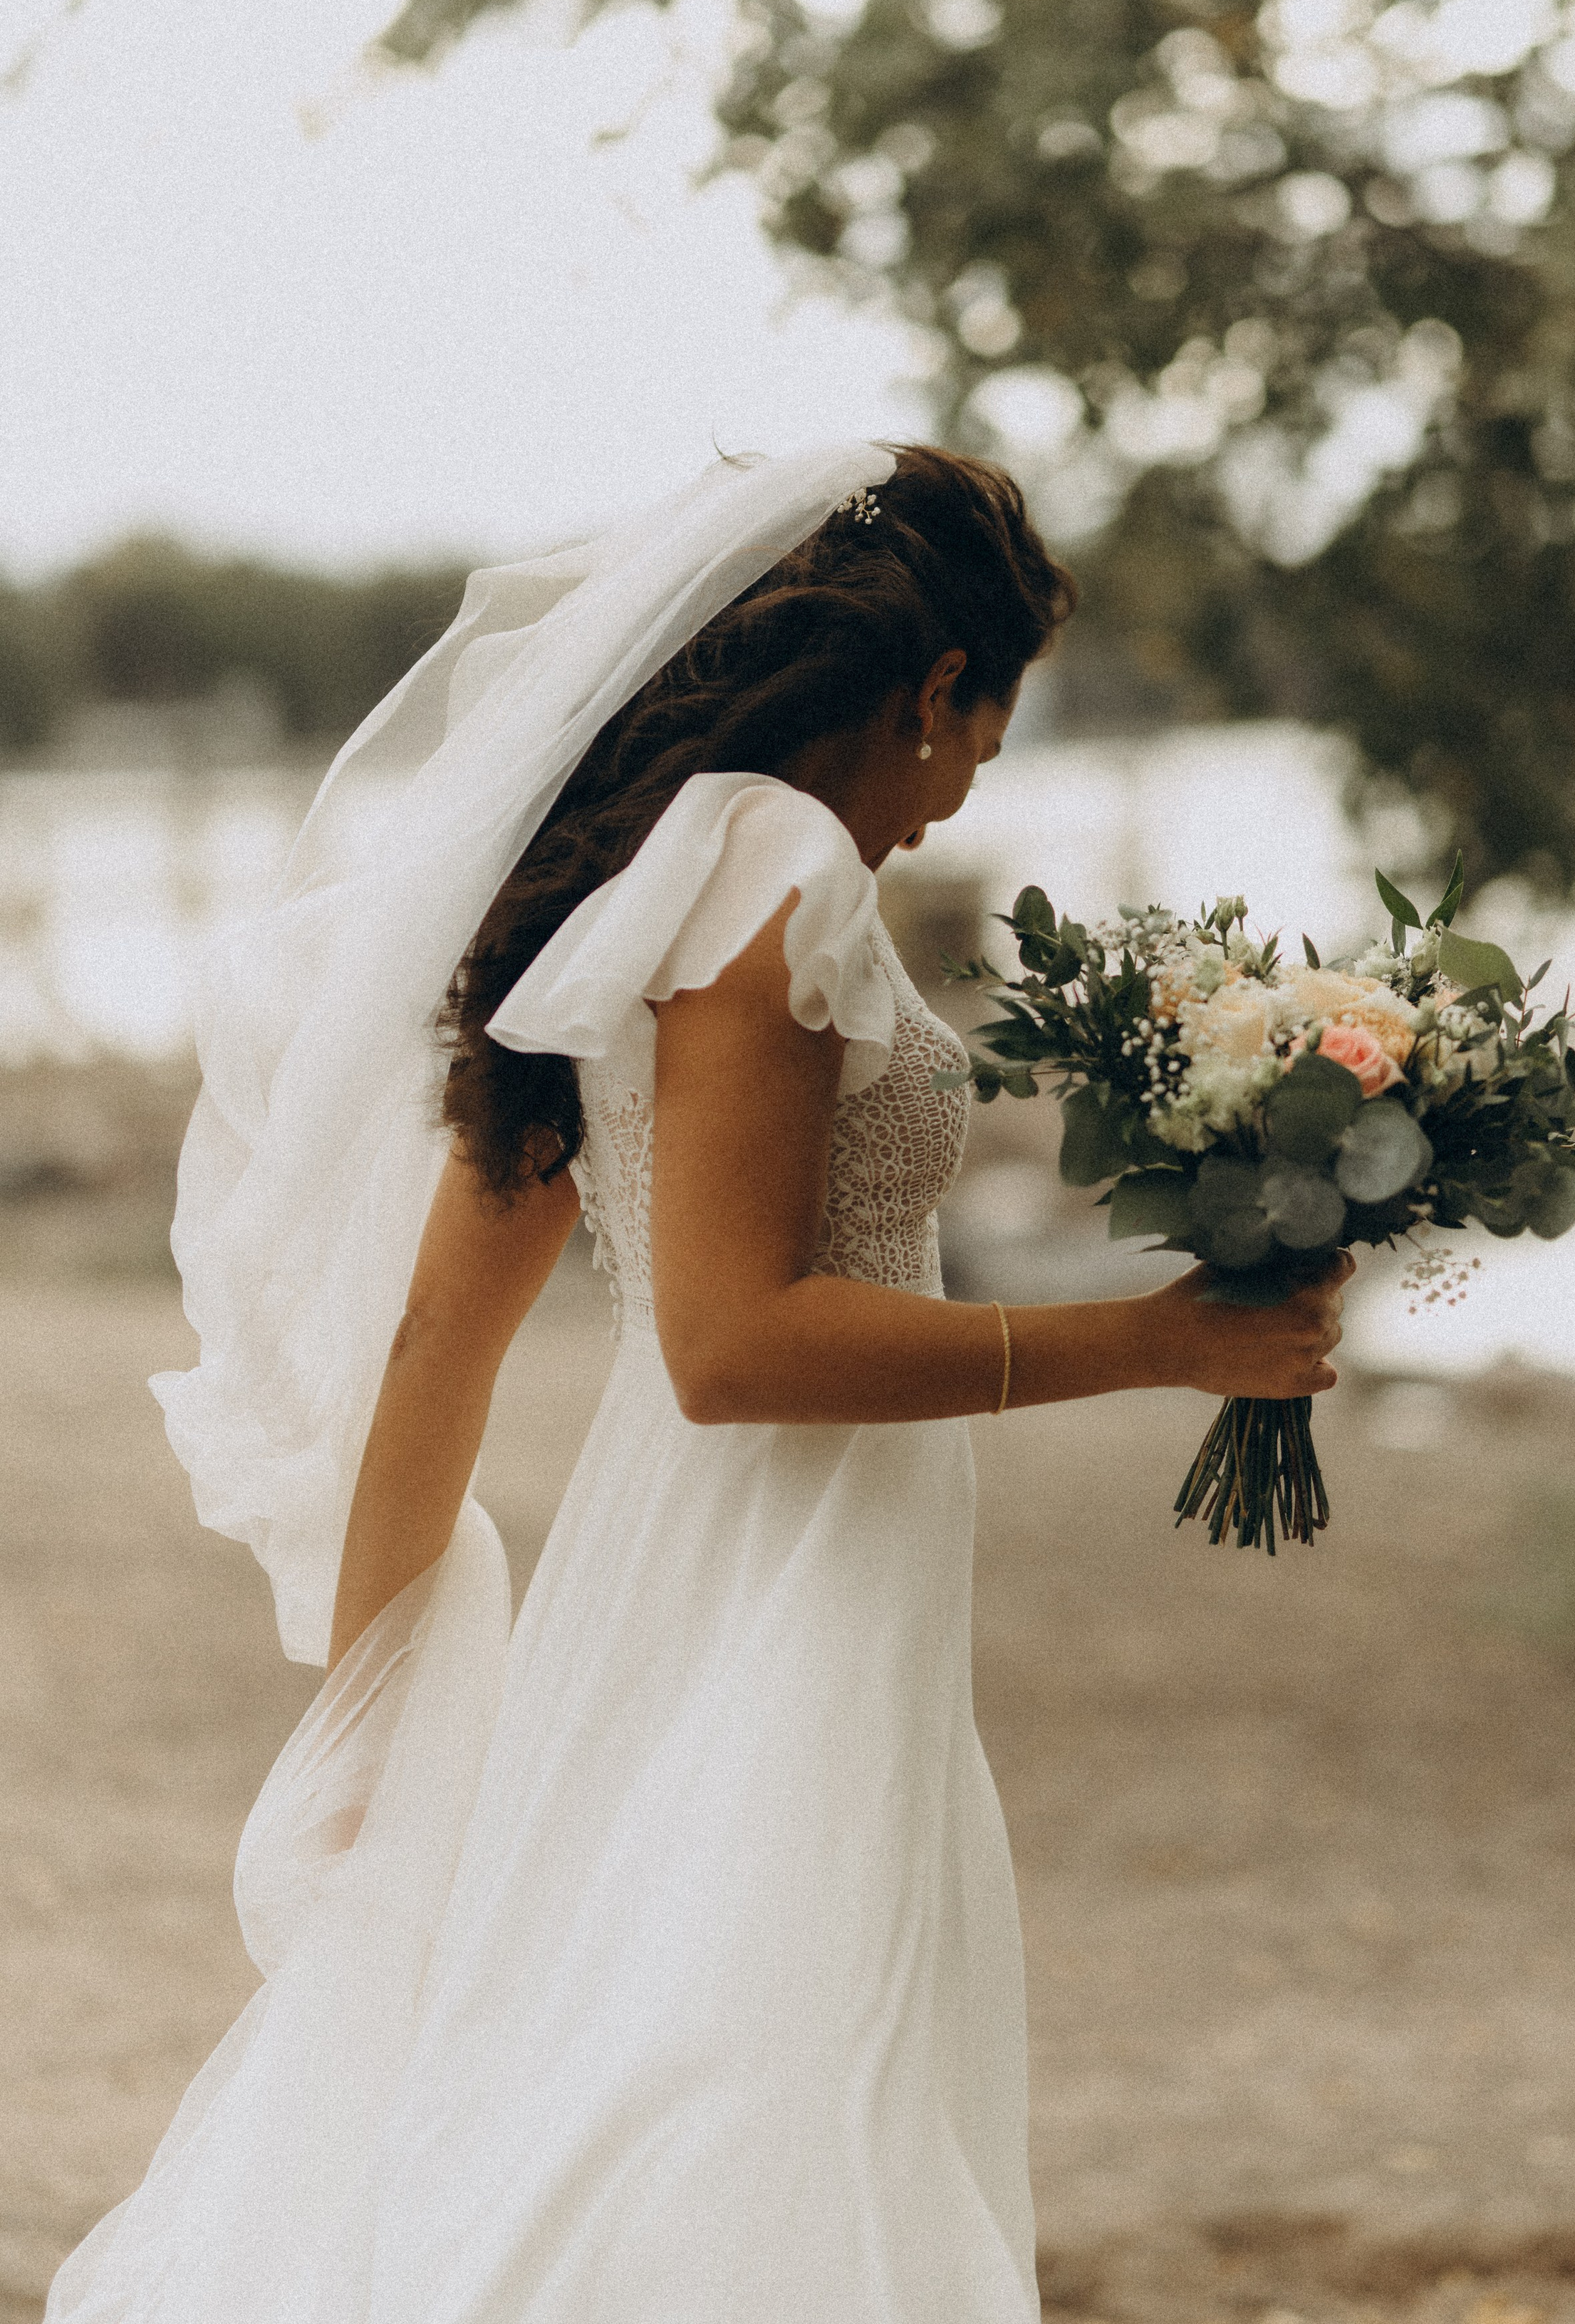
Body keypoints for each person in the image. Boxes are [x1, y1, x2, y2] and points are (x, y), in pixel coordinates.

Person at [48, 442, 1348, 2324]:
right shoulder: (782, 866)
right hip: (780, 1575)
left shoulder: (648, 874)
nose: (976, 781)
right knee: (754, 2101)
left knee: (670, 2068)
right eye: (990, 727)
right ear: (928, 694)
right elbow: (736, 1346)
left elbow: (443, 1334)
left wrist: (373, 1709)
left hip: (700, 1578)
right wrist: (1159, 1340)